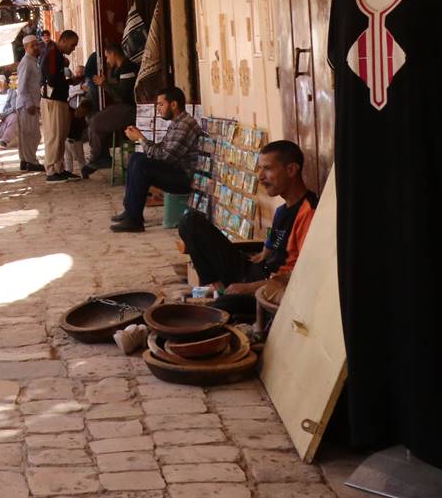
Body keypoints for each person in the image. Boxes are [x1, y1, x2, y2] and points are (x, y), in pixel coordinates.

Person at [178, 141, 318, 318]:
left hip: (271, 288)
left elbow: (301, 275)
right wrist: (259, 254)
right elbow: (271, 243)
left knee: (222, 307)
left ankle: (221, 298)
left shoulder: (309, 213)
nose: (260, 177)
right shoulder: (282, 210)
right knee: (189, 221)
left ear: (291, 170)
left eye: (267, 168)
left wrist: (249, 288)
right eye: (260, 169)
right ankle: (217, 288)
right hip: (256, 271)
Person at [110, 86, 200, 231]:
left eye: (161, 104)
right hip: (176, 170)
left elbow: (165, 157)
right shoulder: (178, 122)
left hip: (184, 178)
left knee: (141, 165)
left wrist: (140, 139)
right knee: (136, 158)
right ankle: (130, 211)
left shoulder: (184, 125)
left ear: (173, 104)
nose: (158, 109)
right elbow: (161, 149)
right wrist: (142, 138)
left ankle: (134, 220)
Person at [82, 43, 140, 177]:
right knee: (95, 121)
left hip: (130, 109)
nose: (107, 61)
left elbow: (121, 95)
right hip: (124, 107)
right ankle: (101, 157)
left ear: (113, 54)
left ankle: (100, 159)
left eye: (107, 57)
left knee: (96, 122)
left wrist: (104, 84)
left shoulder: (127, 68)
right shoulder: (119, 69)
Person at [41, 29, 80, 182]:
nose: (73, 49)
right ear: (63, 40)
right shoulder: (52, 53)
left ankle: (59, 168)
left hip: (60, 99)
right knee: (54, 135)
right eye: (72, 45)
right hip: (53, 100)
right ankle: (51, 171)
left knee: (61, 135)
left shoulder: (57, 55)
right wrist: (68, 82)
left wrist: (69, 82)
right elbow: (51, 80)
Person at [14, 34, 43, 171]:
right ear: (26, 47)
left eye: (37, 44)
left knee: (27, 134)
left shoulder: (32, 61)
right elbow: (22, 87)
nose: (36, 47)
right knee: (31, 134)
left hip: (30, 103)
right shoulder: (26, 62)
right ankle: (31, 162)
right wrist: (29, 103)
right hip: (27, 104)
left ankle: (25, 161)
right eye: (33, 46)